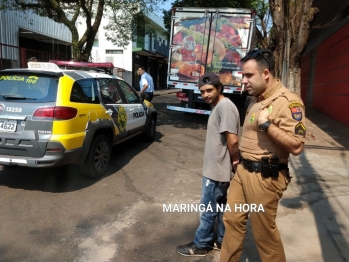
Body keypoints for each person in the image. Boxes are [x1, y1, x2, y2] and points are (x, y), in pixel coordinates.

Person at [220, 50, 306, 262]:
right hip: (243, 173)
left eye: (249, 75)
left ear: (265, 73)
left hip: (265, 178)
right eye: (243, 75)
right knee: (232, 221)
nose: (244, 80)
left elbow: (296, 147)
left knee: (264, 234)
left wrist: (267, 125)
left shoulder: (288, 102)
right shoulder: (256, 100)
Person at [176, 73, 240, 257]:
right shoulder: (218, 106)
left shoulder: (225, 107)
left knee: (208, 210)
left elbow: (233, 141)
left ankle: (201, 245)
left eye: (209, 90)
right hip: (217, 170)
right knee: (219, 209)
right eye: (202, 91)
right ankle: (221, 241)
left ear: (219, 88)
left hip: (216, 172)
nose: (205, 95)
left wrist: (235, 163)